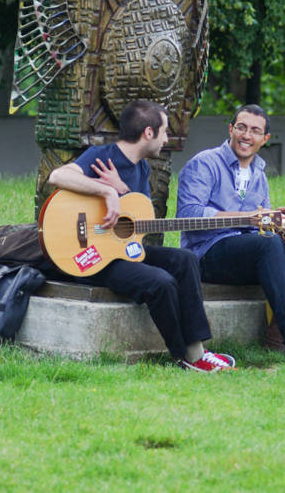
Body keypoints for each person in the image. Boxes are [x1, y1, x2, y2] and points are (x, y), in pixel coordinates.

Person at [47, 99, 234, 372]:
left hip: (121, 250)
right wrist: (106, 191)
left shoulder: (143, 168)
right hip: (91, 256)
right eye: (165, 132)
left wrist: (121, 189)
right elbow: (58, 176)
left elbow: (139, 219)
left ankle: (198, 350)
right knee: (160, 282)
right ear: (148, 133)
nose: (166, 139)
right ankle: (183, 356)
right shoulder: (102, 155)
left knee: (185, 260)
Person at [176, 104, 285, 357]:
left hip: (247, 252)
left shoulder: (258, 173)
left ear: (264, 139)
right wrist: (249, 218)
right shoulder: (204, 163)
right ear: (231, 129)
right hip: (206, 253)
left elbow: (258, 226)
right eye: (241, 128)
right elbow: (188, 215)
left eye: (255, 131)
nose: (247, 135)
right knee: (267, 245)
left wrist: (274, 219)